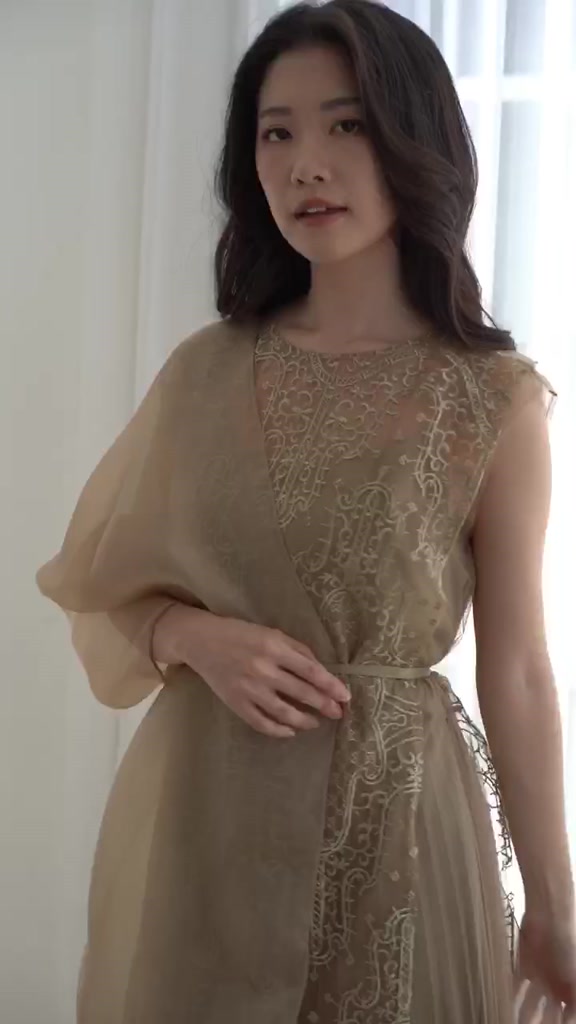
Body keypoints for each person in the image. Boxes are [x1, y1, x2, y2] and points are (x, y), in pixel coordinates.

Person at [36, 1, 576, 1021]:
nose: (306, 166)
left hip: (401, 827)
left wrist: (553, 905)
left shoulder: (492, 399)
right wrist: (193, 636)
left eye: (347, 124)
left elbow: (518, 668)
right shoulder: (204, 374)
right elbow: (100, 587)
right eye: (276, 133)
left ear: (414, 140)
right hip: (207, 819)